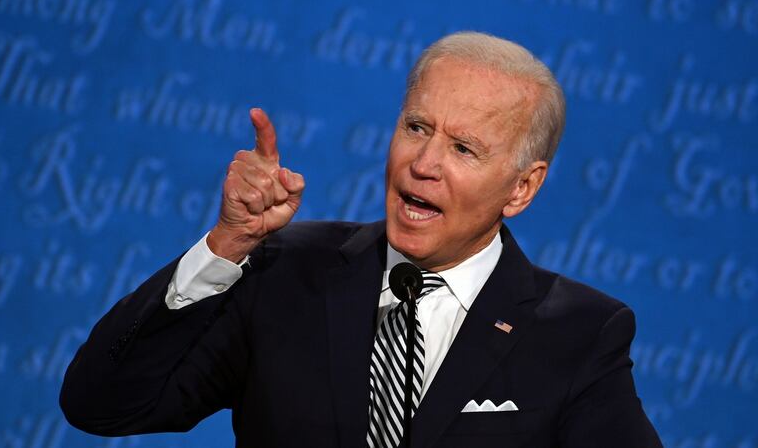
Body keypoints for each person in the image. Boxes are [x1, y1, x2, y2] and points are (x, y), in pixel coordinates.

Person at [60, 31, 663, 447]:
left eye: (463, 148)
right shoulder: (285, 272)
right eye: (417, 127)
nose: (423, 163)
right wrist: (226, 246)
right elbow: (101, 404)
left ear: (521, 189)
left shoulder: (579, 335)